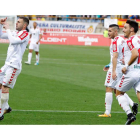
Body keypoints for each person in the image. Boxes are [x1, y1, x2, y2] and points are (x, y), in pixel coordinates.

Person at [98, 24, 137, 118]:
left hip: (116, 67)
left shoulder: (115, 41)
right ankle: (133, 104)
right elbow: (120, 56)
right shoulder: (122, 40)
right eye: (108, 30)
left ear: (116, 32)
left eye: (110, 31)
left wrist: (113, 70)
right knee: (118, 90)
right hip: (121, 66)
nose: (108, 32)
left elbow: (115, 56)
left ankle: (107, 113)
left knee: (108, 88)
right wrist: (109, 64)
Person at [0, 17, 29, 120]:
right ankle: (6, 107)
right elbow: (1, 35)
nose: (16, 23)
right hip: (7, 64)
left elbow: (13, 41)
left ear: (24, 25)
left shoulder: (25, 34)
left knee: (5, 88)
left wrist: (7, 28)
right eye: (16, 21)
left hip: (14, 66)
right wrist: (1, 25)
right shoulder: (15, 32)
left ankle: (0, 114)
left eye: (18, 22)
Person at [115, 20, 140, 125]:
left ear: (132, 29)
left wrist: (126, 65)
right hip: (139, 70)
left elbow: (135, 54)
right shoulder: (138, 39)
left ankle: (130, 115)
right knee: (139, 93)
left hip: (132, 72)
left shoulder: (130, 40)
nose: (123, 30)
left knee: (118, 92)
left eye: (125, 28)